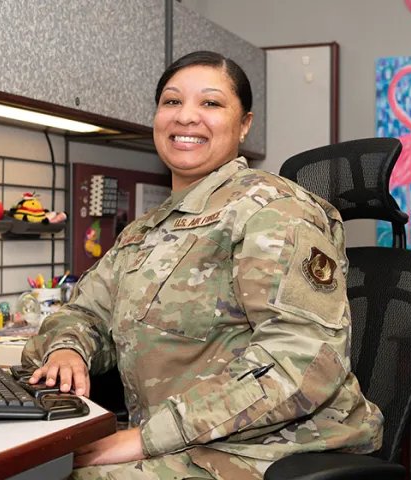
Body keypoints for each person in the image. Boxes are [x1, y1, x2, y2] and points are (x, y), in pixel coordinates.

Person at [22, 51, 383, 480]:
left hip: (278, 446)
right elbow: (84, 312)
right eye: (172, 102)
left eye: (210, 103)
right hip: (179, 437)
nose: (186, 117)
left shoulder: (273, 210)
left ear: (244, 123)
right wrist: (68, 348)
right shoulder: (145, 231)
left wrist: (140, 440)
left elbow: (302, 363)